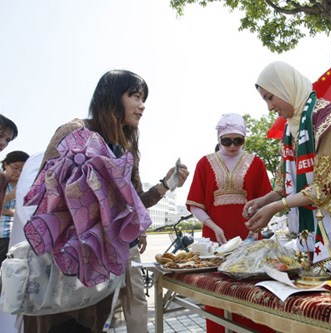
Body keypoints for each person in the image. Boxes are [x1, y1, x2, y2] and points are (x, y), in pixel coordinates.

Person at [22, 69, 189, 333]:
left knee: (96, 323)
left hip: (109, 260)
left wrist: (166, 186)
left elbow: (134, 204)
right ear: (111, 97)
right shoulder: (75, 131)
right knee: (64, 325)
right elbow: (43, 191)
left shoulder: (126, 148)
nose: (142, 105)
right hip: (70, 260)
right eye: (135, 96)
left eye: (144, 98)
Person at [245, 61, 331, 263]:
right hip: (311, 224)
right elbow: (284, 185)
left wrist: (277, 207)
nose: (269, 107)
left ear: (285, 87)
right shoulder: (290, 130)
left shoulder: (328, 118)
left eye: (270, 97)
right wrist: (264, 201)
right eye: (265, 100)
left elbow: (324, 187)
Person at [186, 112, 273, 333]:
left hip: (249, 240)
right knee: (216, 298)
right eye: (226, 141)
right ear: (218, 139)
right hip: (215, 240)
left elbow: (267, 201)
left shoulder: (256, 163)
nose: (232, 146)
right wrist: (213, 226)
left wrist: (257, 224)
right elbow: (195, 203)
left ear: (244, 138)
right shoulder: (204, 164)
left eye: (238, 140)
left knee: (251, 297)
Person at [0, 150, 29, 266]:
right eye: (15, 168)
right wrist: (11, 196)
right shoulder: (2, 182)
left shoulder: (25, 187)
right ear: (6, 164)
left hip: (14, 238)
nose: (18, 172)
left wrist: (6, 211)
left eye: (22, 170)